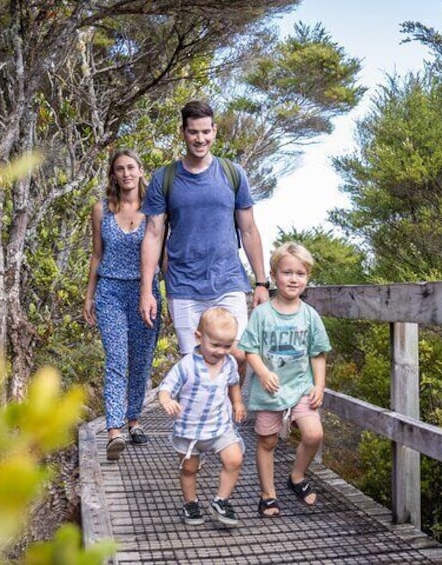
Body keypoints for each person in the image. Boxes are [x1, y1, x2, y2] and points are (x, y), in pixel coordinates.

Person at [139, 100, 269, 364]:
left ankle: (233, 407)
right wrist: (146, 290)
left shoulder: (233, 174)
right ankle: (204, 407)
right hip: (184, 284)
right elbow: (153, 235)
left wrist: (261, 282)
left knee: (238, 355)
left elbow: (249, 229)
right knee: (195, 363)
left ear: (215, 131)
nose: (200, 139)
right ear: (183, 132)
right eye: (193, 132)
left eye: (206, 132)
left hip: (228, 280)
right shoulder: (165, 178)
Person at [238, 242, 331, 517]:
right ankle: (268, 495)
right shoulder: (263, 313)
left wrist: (319, 384)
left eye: (300, 274)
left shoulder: (310, 315)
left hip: (301, 386)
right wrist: (263, 372)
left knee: (314, 433)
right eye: (287, 272)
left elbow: (318, 353)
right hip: (270, 389)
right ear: (274, 274)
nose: (293, 279)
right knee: (267, 441)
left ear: (307, 278)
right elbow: (250, 349)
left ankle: (297, 477)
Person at [83, 149, 162, 461]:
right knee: (116, 359)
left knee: (140, 362)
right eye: (120, 169)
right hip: (110, 291)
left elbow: (162, 255)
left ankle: (134, 420)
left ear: (141, 170)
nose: (126, 173)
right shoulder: (101, 209)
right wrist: (89, 295)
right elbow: (96, 255)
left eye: (131, 167)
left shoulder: (156, 210)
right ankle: (114, 429)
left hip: (146, 293)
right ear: (113, 174)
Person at [157, 307, 246, 527]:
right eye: (215, 345)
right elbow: (165, 387)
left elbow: (233, 383)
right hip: (190, 431)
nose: (220, 351)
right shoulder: (186, 365)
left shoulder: (229, 363)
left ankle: (221, 500)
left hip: (219, 427)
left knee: (234, 458)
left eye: (227, 346)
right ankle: (190, 503)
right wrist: (167, 400)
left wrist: (237, 402)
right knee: (189, 469)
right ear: (199, 337)